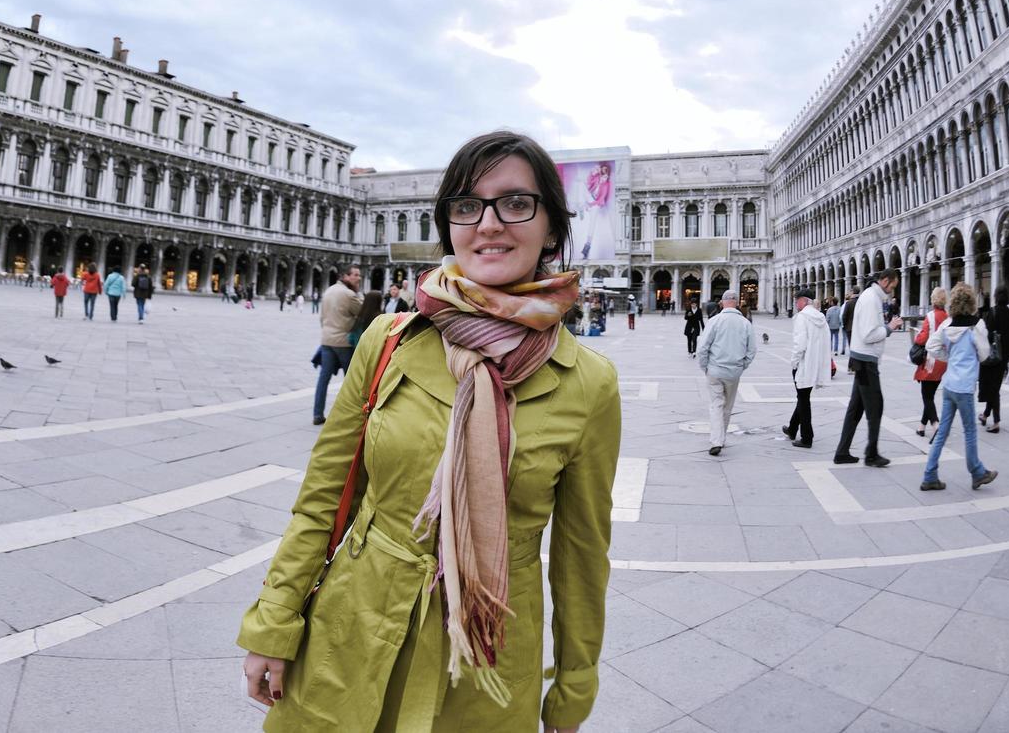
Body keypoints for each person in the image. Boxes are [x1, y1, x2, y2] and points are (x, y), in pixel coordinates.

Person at [239, 130, 619, 732]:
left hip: (487, 665)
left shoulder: (588, 383)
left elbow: (580, 557)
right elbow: (320, 501)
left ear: (552, 226)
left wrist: (574, 687)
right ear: (449, 226)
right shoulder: (388, 341)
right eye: (467, 206)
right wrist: (275, 621)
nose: (488, 224)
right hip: (351, 632)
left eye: (515, 203)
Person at [920, 283, 998, 492]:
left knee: (943, 431)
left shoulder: (947, 324)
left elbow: (931, 346)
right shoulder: (976, 326)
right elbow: (984, 354)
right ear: (972, 302)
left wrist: (949, 357)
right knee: (970, 431)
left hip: (949, 385)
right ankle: (977, 472)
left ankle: (929, 474)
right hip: (964, 387)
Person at [833, 271, 904, 467]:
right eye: (892, 286)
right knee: (875, 407)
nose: (892, 290)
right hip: (865, 361)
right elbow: (868, 334)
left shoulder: (870, 297)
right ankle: (871, 454)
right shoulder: (872, 299)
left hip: (861, 358)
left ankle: (842, 452)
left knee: (856, 409)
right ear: (884, 281)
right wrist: (890, 327)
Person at [696, 289, 756, 457]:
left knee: (716, 405)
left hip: (714, 370)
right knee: (727, 407)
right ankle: (721, 439)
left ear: (722, 302)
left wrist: (705, 367)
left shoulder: (715, 321)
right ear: (736, 302)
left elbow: (702, 347)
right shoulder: (745, 323)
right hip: (734, 371)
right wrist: (742, 366)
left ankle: (716, 440)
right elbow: (751, 350)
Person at [312, 263, 363, 425]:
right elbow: (362, 312)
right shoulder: (349, 295)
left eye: (359, 275)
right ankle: (352, 416)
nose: (358, 278)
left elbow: (322, 318)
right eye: (355, 275)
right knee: (351, 380)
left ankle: (317, 414)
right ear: (345, 276)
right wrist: (358, 293)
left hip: (327, 340)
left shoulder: (329, 291)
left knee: (323, 379)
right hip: (344, 343)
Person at [786, 287, 829, 449]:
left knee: (803, 400)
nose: (796, 303)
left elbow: (800, 344)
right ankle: (792, 428)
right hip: (815, 364)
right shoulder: (820, 318)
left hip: (804, 364)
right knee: (802, 397)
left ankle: (807, 437)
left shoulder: (802, 317)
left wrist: (794, 362)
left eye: (797, 300)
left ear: (804, 300)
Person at [978, 285, 1009, 433]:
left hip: (992, 356)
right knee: (995, 387)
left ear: (995, 296)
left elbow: (986, 335)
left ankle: (996, 422)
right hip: (1004, 358)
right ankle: (985, 414)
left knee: (993, 389)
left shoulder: (992, 312)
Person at [912, 287, 949, 439]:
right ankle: (921, 427)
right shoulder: (948, 317)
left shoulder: (930, 316)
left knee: (926, 396)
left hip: (931, 360)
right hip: (943, 361)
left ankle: (936, 425)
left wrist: (916, 337)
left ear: (933, 300)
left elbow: (922, 338)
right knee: (930, 395)